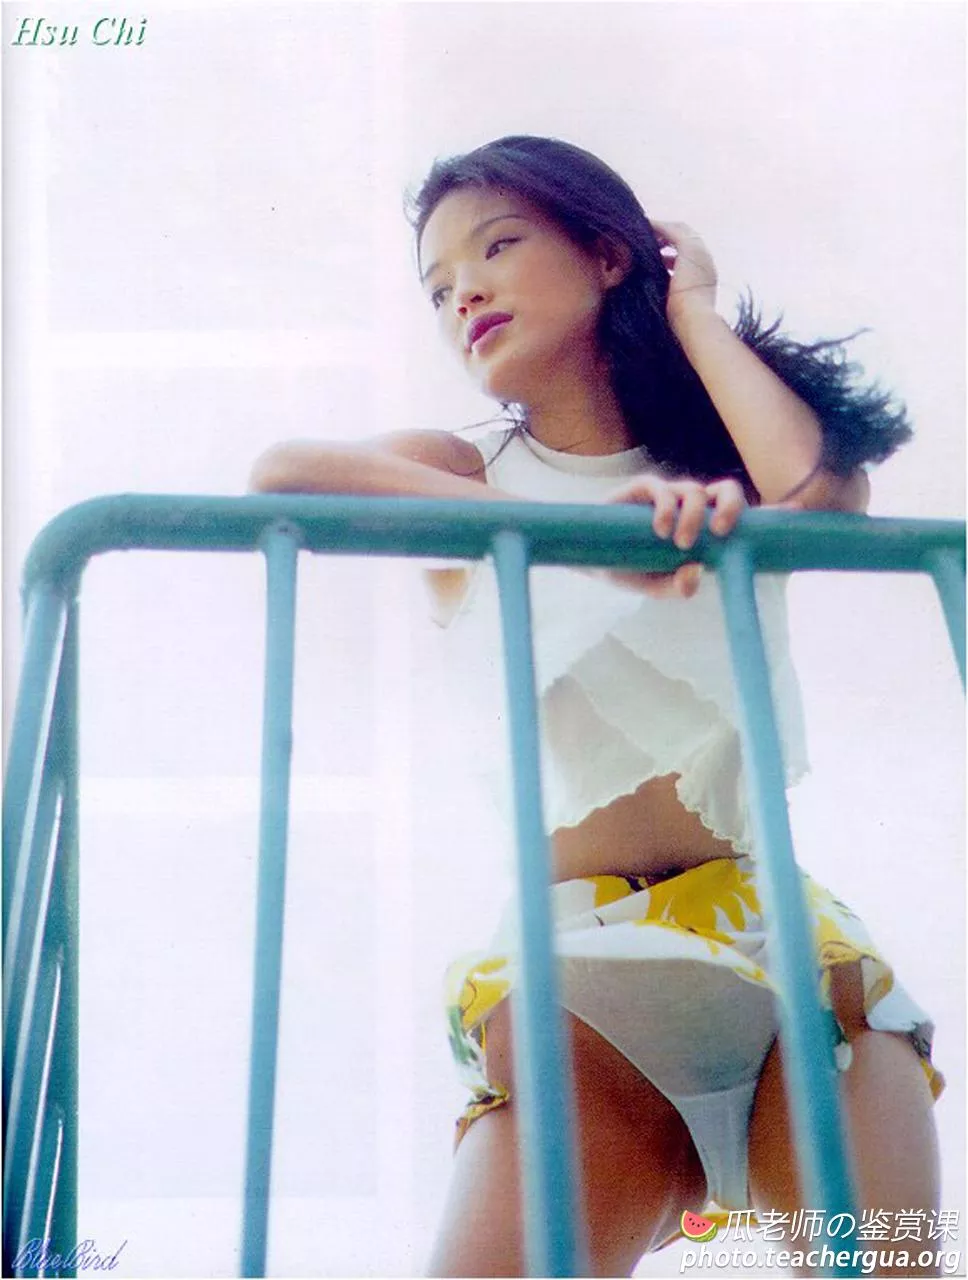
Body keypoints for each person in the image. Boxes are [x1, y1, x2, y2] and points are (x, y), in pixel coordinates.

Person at [249, 136, 944, 1277]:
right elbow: (284, 471)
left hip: (779, 945)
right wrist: (572, 541)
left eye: (497, 246)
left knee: (882, 1265)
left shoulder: (719, 472)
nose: (463, 293)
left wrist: (694, 309)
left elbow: (824, 493)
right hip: (575, 967)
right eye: (437, 286)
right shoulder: (466, 474)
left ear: (608, 255)